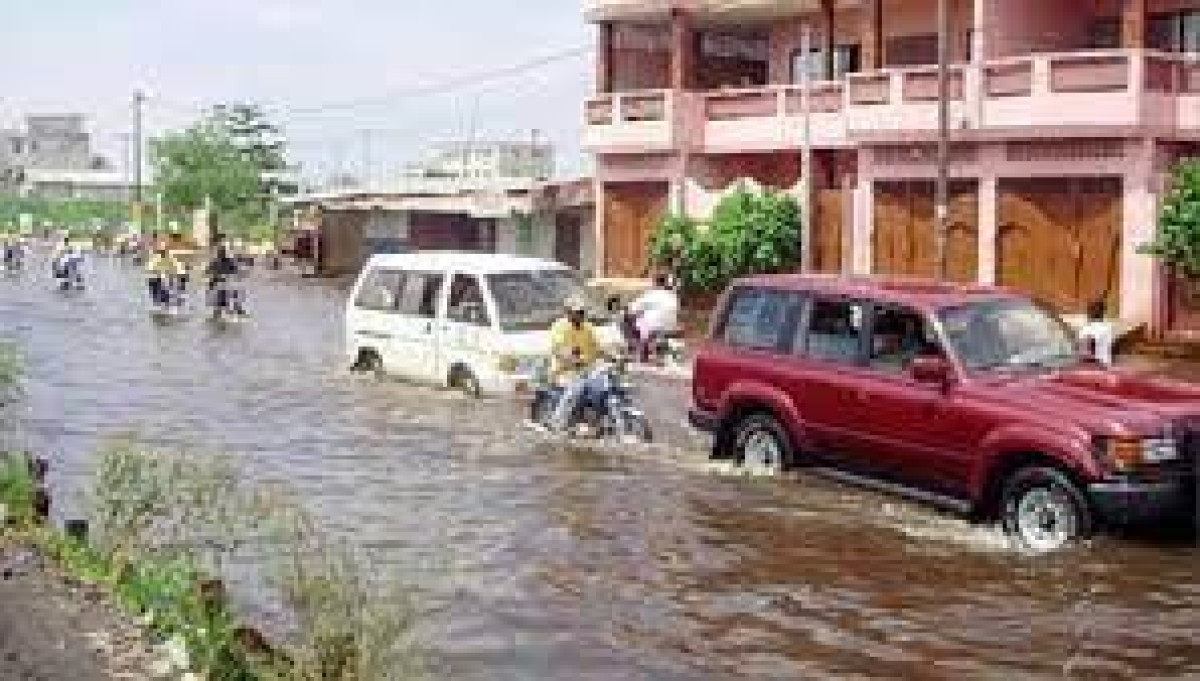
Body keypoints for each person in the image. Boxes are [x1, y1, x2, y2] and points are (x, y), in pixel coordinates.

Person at [547, 295, 601, 433]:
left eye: (582, 312)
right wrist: (570, 358)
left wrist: (615, 357)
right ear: (568, 312)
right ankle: (556, 422)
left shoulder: (588, 327)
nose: (581, 315)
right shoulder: (559, 327)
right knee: (576, 388)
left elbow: (597, 348)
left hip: (586, 369)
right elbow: (558, 349)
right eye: (577, 312)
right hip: (563, 370)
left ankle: (595, 418)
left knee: (604, 384)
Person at [627, 273, 680, 362]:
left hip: (653, 326)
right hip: (670, 325)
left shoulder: (651, 294)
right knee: (646, 320)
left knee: (630, 320)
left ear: (655, 283)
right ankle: (651, 346)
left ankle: (640, 346)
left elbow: (634, 308)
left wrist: (633, 312)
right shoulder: (673, 296)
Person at [206, 235, 247, 317]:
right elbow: (236, 271)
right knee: (232, 293)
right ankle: (236, 309)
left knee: (225, 295)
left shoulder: (217, 261)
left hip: (222, 283)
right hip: (223, 283)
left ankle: (221, 311)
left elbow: (208, 271)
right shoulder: (226, 261)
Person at [1079, 299, 1115, 367]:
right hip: (1105, 363)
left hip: (1093, 365)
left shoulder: (1087, 328)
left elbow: (1085, 349)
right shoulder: (1108, 327)